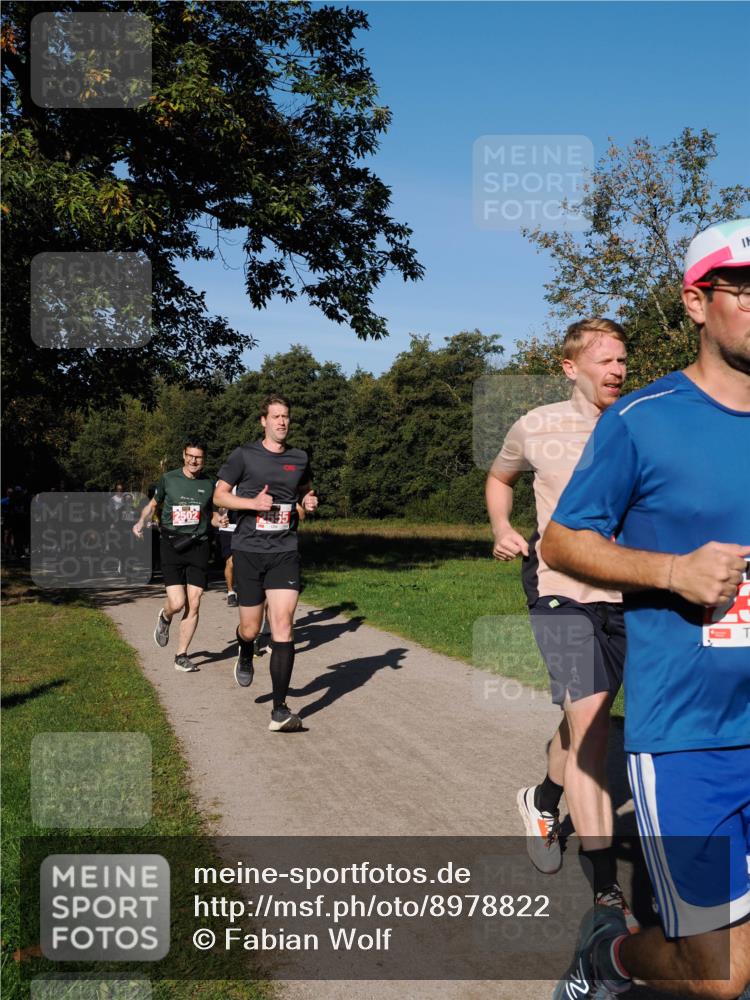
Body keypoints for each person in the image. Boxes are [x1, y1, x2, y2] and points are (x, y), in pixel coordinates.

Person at [544, 218, 750, 999]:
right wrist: (671, 570)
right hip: (692, 739)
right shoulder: (645, 420)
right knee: (721, 977)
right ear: (697, 303)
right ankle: (610, 960)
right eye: (743, 290)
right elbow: (563, 542)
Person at [486, 318, 633, 923]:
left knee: (584, 722)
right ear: (571, 368)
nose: (618, 371)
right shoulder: (536, 425)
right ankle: (605, 893)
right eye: (605, 361)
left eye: (623, 360)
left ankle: (542, 798)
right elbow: (500, 477)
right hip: (556, 591)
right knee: (594, 727)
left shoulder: (638, 424)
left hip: (627, 595)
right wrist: (502, 527)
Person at [214, 394, 318, 732]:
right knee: (250, 627)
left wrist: (308, 499)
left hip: (284, 550)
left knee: (283, 624)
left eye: (286, 416)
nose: (282, 422)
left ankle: (279, 710)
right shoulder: (244, 455)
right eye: (275, 416)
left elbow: (304, 489)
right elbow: (218, 495)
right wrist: (251, 502)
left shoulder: (300, 457)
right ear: (263, 421)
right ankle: (245, 647)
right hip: (248, 550)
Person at [133, 439, 222, 672]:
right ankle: (165, 616)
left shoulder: (210, 483)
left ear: (204, 460)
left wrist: (218, 520)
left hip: (199, 545)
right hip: (171, 543)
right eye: (190, 456)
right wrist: (141, 522)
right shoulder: (169, 479)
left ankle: (181, 655)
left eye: (199, 457)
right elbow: (153, 504)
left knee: (194, 602)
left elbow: (211, 515)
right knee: (177, 602)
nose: (194, 461)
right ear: (183, 455)